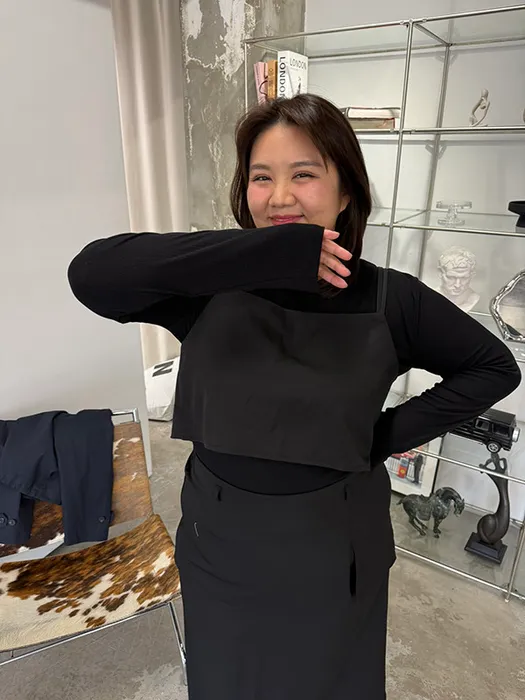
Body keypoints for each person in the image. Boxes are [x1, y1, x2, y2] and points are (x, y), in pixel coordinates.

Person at [68, 94, 521, 700]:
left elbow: (492, 367)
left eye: (303, 174)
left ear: (345, 192)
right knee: (227, 681)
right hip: (219, 539)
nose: (279, 196)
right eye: (262, 177)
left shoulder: (391, 299)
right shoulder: (208, 290)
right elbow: (90, 274)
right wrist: (256, 254)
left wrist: (382, 437)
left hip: (336, 546)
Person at [437, 245, 480, 312]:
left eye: (464, 278)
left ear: (472, 275)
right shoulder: (428, 296)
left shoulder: (478, 301)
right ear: (440, 273)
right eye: (451, 277)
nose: (458, 285)